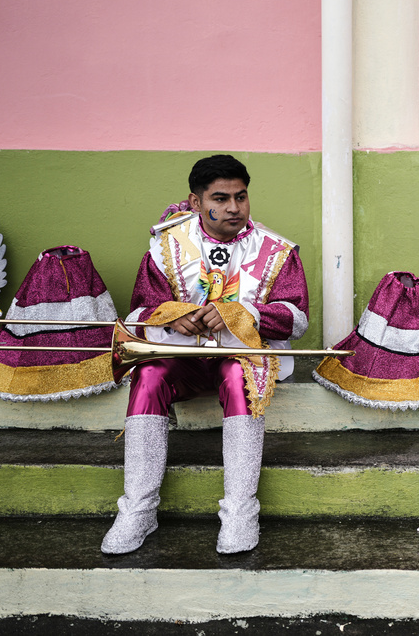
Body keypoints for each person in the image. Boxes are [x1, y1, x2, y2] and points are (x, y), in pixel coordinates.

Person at [101, 154, 309, 555]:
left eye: (241, 197)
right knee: (148, 376)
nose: (234, 208)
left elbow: (296, 320)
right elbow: (140, 310)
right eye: (221, 198)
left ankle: (240, 513)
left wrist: (242, 313)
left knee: (236, 377)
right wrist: (173, 315)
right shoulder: (166, 244)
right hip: (183, 359)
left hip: (241, 361)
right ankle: (138, 513)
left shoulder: (277, 250)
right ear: (196, 202)